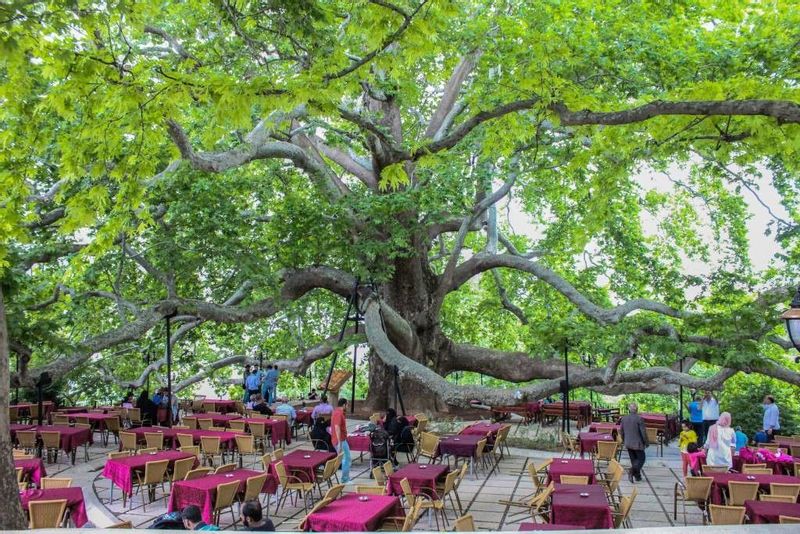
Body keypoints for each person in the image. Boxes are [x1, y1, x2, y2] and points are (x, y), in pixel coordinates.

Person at [619, 403, 649, 483]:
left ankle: (637, 477)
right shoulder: (639, 419)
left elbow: (621, 431)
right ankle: (632, 471)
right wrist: (646, 442)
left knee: (634, 460)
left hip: (628, 442)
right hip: (637, 443)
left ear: (629, 409)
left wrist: (624, 440)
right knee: (641, 459)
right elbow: (643, 432)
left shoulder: (624, 418)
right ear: (637, 409)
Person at [331, 398, 351, 483]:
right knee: (347, 458)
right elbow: (337, 427)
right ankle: (345, 479)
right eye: (347, 404)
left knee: (346, 458)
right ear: (344, 405)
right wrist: (339, 442)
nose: (348, 406)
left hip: (342, 439)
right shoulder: (338, 413)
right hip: (340, 440)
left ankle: (345, 478)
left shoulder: (339, 413)